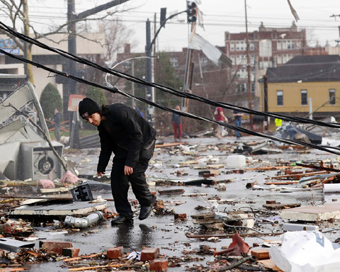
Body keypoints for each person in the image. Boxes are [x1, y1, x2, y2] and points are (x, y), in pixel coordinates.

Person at [78, 98, 157, 225]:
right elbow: (106, 146)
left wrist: (130, 162)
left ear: (98, 111)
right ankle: (125, 213)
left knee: (134, 172)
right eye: (87, 120)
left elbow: (137, 135)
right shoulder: (102, 126)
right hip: (125, 146)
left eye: (92, 117)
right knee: (116, 178)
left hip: (144, 141)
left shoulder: (119, 112)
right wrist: (101, 166)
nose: (91, 121)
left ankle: (147, 201)